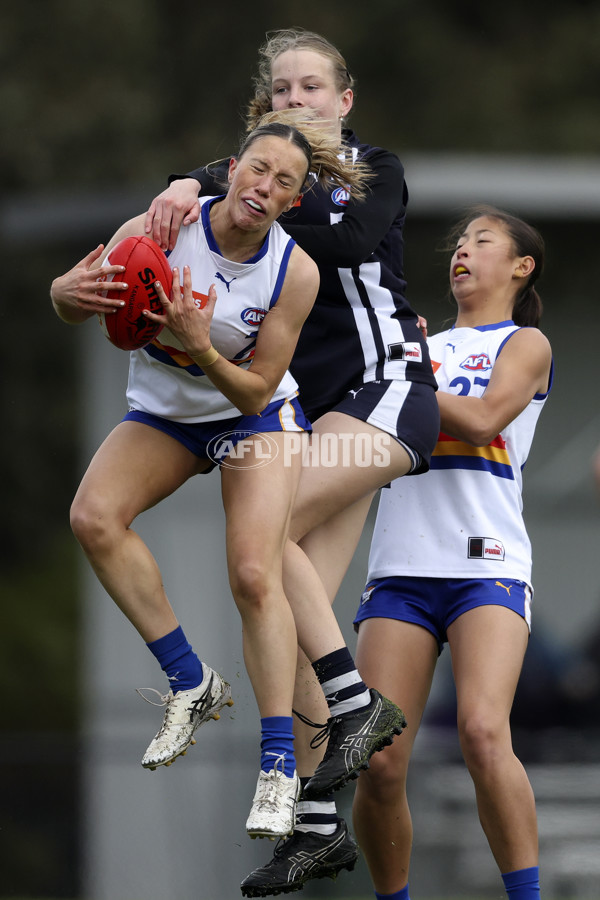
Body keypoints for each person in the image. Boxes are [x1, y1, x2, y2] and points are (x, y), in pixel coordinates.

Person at [50, 111, 405, 842]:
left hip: (251, 417)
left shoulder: (293, 270)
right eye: (258, 170)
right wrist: (65, 294)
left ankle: (278, 765)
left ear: (293, 201)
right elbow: (73, 296)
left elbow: (256, 387)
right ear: (231, 169)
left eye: (284, 183)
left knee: (253, 570)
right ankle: (190, 681)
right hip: (166, 415)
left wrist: (198, 344)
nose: (265, 188)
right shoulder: (164, 223)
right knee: (93, 518)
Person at [144, 27, 441, 897]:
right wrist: (184, 194)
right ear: (260, 110)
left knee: (264, 547)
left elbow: (345, 247)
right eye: (280, 90)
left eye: (313, 87)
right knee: (283, 590)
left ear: (342, 102)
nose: (297, 100)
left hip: (384, 393)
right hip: (313, 415)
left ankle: (358, 706)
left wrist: (220, 183)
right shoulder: (241, 197)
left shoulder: (370, 169)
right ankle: (317, 824)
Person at [351, 206, 553, 900]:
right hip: (401, 567)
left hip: (486, 566)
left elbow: (488, 419)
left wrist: (405, 381)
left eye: (482, 242)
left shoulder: (522, 344)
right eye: (459, 244)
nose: (462, 252)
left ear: (521, 266)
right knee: (378, 762)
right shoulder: (417, 349)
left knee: (481, 733)